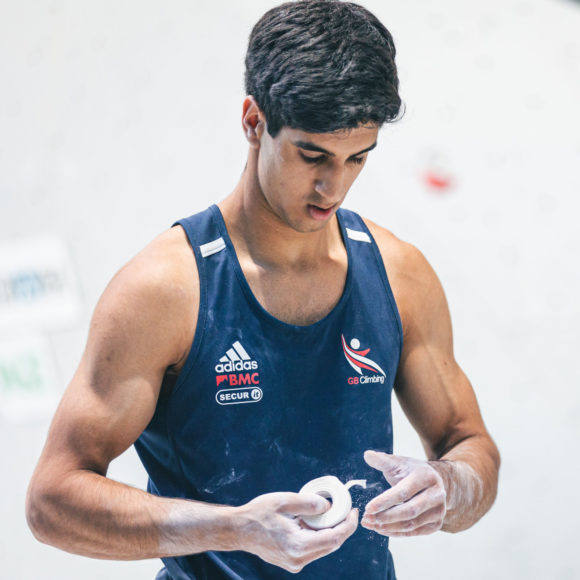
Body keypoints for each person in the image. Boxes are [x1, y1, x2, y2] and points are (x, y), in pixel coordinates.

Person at [26, 1, 500, 578]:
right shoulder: (165, 290)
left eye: (358, 158)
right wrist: (233, 527)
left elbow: (470, 446)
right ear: (253, 120)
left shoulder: (400, 274)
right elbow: (52, 501)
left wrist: (449, 485)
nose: (334, 185)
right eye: (312, 155)